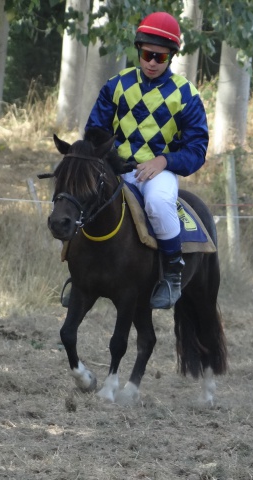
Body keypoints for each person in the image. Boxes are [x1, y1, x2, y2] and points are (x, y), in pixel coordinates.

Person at [78, 11, 208, 310]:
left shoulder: (187, 95)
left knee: (158, 204)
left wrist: (163, 161)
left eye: (159, 58)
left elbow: (197, 149)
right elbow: (95, 131)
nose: (151, 62)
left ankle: (172, 274)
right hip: (116, 166)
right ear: (139, 50)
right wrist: (111, 160)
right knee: (80, 196)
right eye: (147, 54)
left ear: (171, 57)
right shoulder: (116, 85)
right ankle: (78, 274)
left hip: (158, 170)